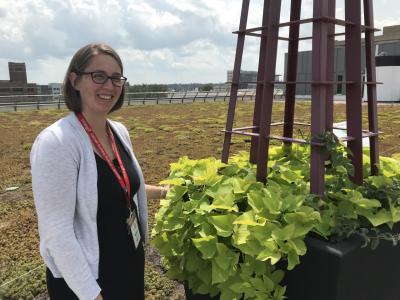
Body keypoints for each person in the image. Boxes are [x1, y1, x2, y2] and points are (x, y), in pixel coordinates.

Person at [30, 43, 168, 300]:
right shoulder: (57, 142)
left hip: (127, 265)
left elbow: (119, 190)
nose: (109, 86)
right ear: (75, 80)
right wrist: (91, 294)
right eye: (98, 76)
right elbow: (56, 231)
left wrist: (163, 192)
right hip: (87, 280)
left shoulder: (119, 132)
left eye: (116, 78)